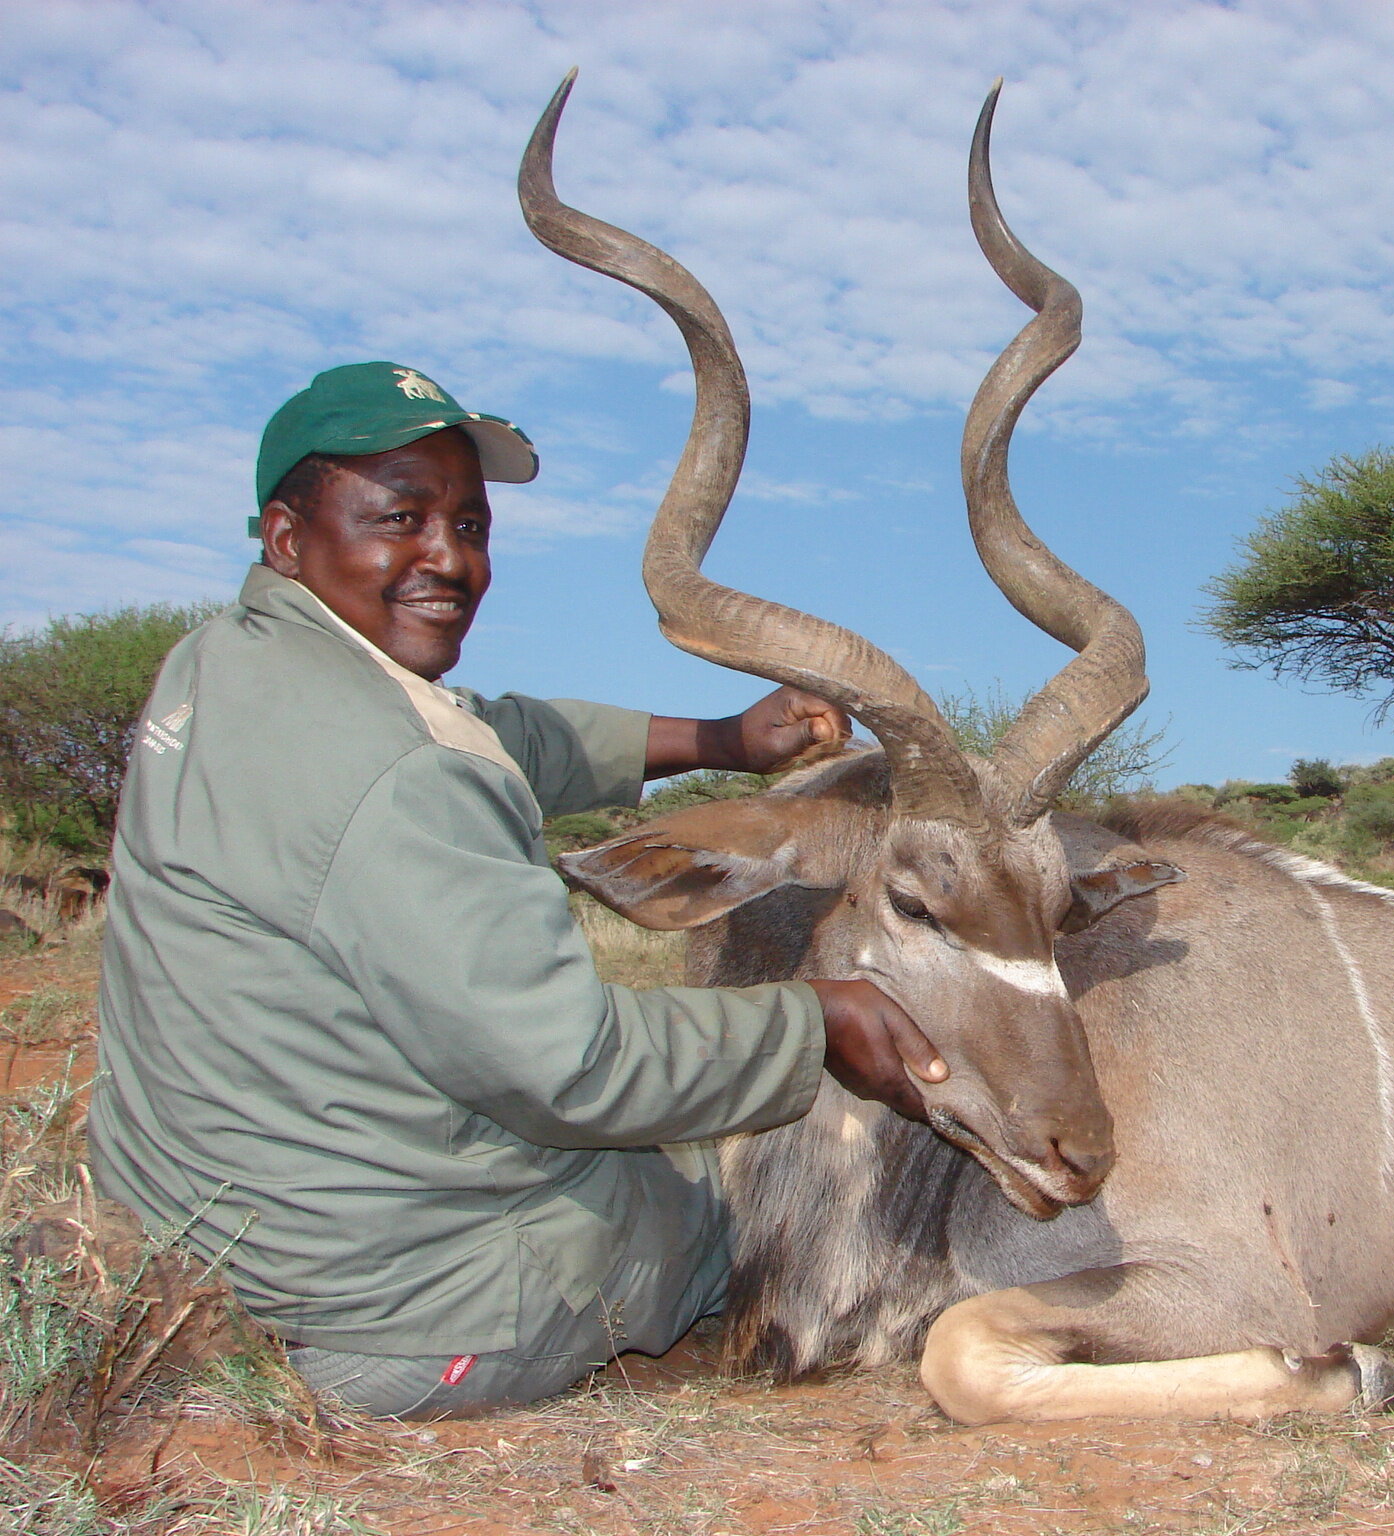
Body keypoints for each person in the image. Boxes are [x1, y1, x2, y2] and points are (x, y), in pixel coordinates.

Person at [90, 361, 947, 1418]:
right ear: (285, 536)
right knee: (755, 1193)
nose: (447, 559)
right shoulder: (400, 781)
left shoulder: (225, 663)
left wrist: (722, 739)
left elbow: (500, 733)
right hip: (399, 1319)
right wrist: (811, 1026)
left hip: (204, 1247)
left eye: (470, 525)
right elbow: (571, 1071)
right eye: (397, 518)